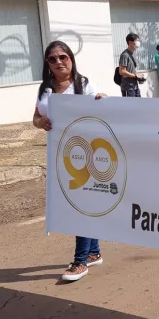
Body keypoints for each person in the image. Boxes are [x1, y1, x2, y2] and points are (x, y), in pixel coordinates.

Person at [32, 40, 107, 282]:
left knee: (80, 206)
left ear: (71, 58)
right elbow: (35, 117)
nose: (58, 62)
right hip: (61, 155)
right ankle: (93, 252)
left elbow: (99, 107)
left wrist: (102, 101)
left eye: (62, 57)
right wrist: (40, 123)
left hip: (86, 153)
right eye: (52, 59)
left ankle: (80, 261)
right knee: (79, 202)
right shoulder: (45, 88)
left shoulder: (83, 85)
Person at [118, 33, 146, 97]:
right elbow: (122, 71)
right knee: (131, 107)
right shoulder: (125, 55)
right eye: (137, 41)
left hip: (135, 87)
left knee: (139, 106)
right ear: (130, 42)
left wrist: (139, 78)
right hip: (128, 88)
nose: (138, 43)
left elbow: (131, 70)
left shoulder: (133, 54)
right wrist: (135, 76)